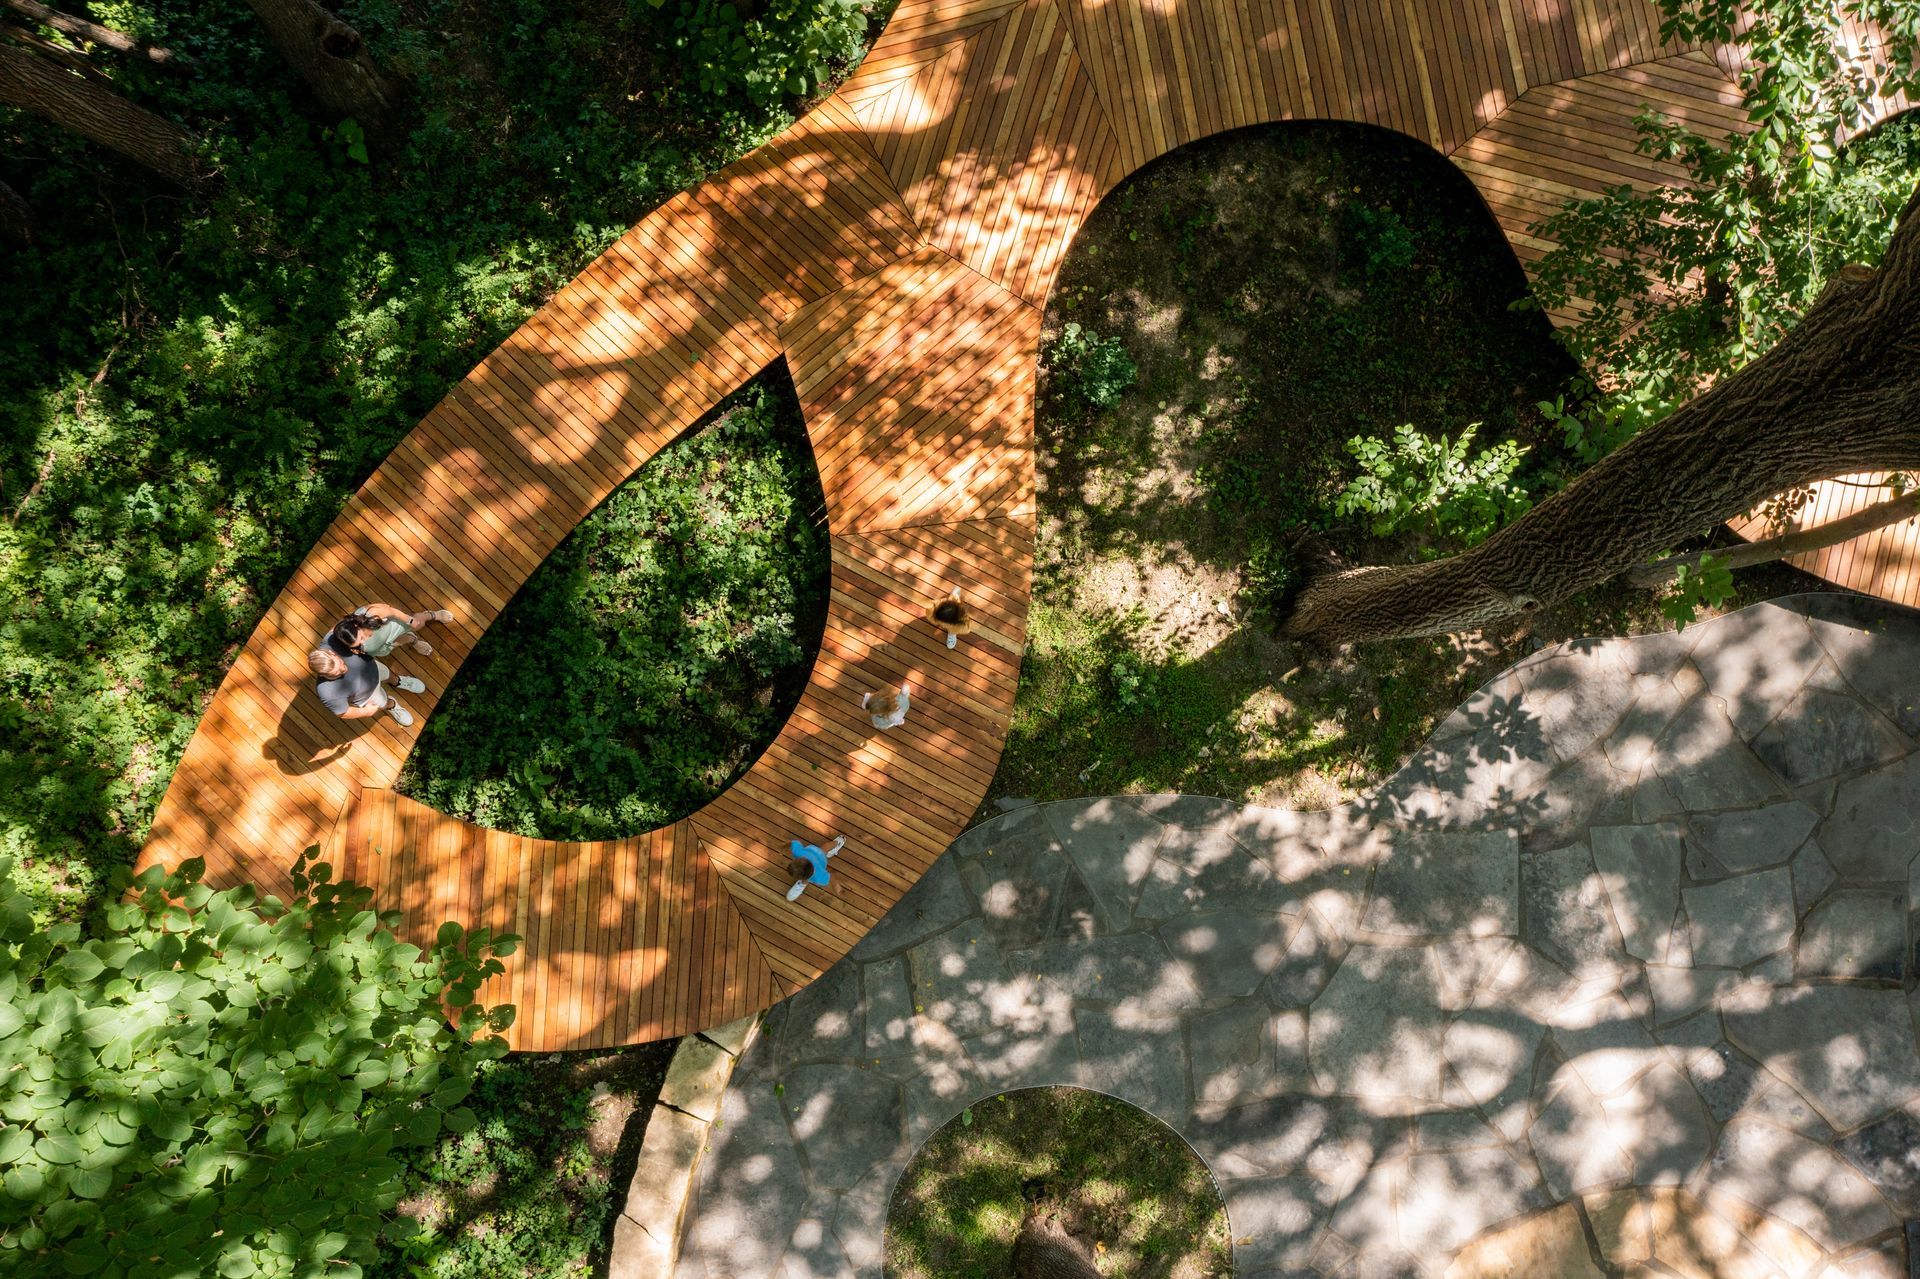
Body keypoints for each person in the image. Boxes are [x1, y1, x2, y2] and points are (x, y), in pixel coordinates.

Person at [308, 637, 426, 726]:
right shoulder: (327, 692)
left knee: (386, 673)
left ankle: (397, 681)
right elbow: (343, 712)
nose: (344, 669)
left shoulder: (331, 643)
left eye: (341, 663)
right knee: (383, 702)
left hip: (371, 667)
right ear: (323, 675)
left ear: (332, 653)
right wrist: (366, 712)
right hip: (368, 696)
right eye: (337, 673)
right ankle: (392, 705)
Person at [330, 603, 455, 659]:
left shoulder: (370, 613)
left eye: (362, 637)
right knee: (399, 642)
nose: (364, 641)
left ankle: (430, 615)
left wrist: (409, 620)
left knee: (418, 623)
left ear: (357, 626)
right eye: (359, 643)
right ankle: (413, 640)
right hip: (382, 644)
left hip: (393, 625)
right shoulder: (357, 645)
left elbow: (390, 611)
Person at [786, 835, 845, 901]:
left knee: (823, 851)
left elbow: (831, 876)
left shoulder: (818, 877)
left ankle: (802, 884)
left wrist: (837, 887)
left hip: (822, 859)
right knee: (824, 849)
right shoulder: (797, 852)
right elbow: (794, 842)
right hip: (812, 850)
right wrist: (836, 886)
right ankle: (836, 843)